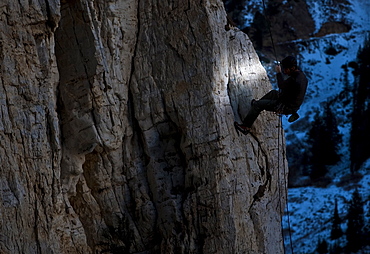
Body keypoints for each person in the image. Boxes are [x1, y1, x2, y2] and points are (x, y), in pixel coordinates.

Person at [234, 56, 308, 135]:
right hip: (290, 104)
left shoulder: (295, 80)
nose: (284, 71)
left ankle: (246, 127)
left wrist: (279, 73)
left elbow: (281, 85)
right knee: (273, 93)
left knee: (258, 105)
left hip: (286, 106)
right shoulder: (301, 76)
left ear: (292, 68)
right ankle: (257, 106)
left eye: (286, 69)